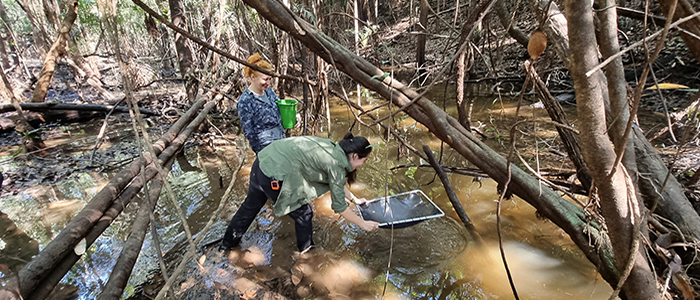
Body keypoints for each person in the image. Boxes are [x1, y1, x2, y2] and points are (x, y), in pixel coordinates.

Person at [221, 133, 380, 252]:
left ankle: (226, 247)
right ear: (354, 156)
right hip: (273, 175)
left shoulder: (332, 148)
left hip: (263, 162)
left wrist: (355, 200)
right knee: (304, 214)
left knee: (249, 208)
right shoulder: (337, 164)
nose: (362, 165)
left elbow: (335, 184)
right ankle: (306, 255)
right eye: (363, 161)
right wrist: (362, 223)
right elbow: (339, 207)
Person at [237, 53, 285, 154]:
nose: (268, 83)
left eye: (270, 79)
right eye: (265, 79)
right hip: (266, 150)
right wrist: (262, 155)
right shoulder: (245, 101)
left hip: (281, 143)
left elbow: (282, 106)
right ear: (253, 77)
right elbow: (250, 133)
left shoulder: (269, 92)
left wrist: (296, 114)